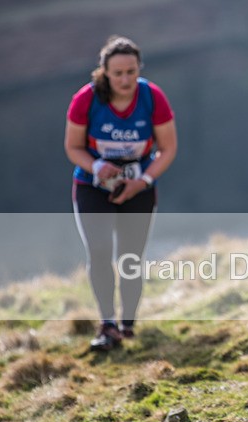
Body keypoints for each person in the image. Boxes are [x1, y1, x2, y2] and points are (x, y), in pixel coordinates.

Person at [64, 35, 177, 351]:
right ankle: (107, 323)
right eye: (118, 73)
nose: (125, 79)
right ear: (104, 73)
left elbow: (168, 149)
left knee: (130, 257)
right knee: (99, 250)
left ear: (139, 68)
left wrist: (143, 181)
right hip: (92, 186)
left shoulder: (152, 97)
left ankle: (127, 323)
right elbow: (72, 147)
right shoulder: (85, 100)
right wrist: (97, 165)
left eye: (131, 71)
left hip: (138, 186)